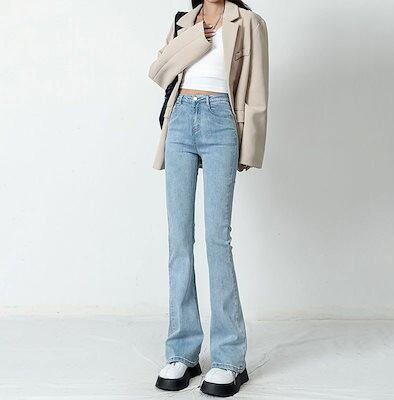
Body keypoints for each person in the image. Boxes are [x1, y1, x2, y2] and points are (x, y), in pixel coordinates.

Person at [148, 0, 269, 396]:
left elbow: (257, 88)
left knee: (218, 239)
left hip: (222, 120)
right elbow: (160, 71)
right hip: (181, 119)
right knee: (178, 240)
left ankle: (230, 359)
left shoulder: (248, 22)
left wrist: (250, 146)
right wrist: (195, 35)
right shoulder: (184, 21)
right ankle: (182, 352)